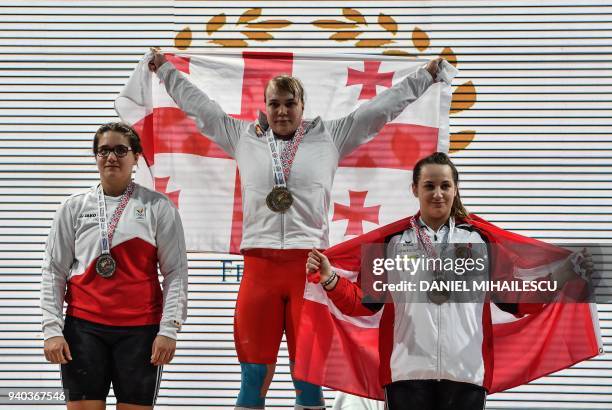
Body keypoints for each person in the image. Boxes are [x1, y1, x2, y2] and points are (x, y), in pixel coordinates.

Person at [148, 48, 445, 409]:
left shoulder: (331, 136)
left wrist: (425, 75)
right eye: (275, 104)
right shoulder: (243, 136)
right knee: (252, 381)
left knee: (308, 383)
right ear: (266, 106)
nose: (282, 111)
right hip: (260, 271)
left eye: (290, 103)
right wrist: (165, 70)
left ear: (303, 106)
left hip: (309, 271)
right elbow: (201, 108)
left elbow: (380, 110)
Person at [306, 152, 594, 410]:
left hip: (467, 374)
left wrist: (562, 275)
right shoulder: (391, 243)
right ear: (415, 189)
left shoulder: (480, 241)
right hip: (405, 374)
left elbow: (515, 299)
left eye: (445, 186)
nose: (438, 193)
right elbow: (364, 304)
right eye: (429, 186)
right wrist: (330, 277)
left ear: (456, 190)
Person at [41, 122, 189, 410]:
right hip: (83, 329)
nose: (112, 157)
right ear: (95, 156)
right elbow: (53, 272)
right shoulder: (72, 208)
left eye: (121, 150)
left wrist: (169, 329)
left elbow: (176, 273)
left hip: (141, 331)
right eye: (104, 150)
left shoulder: (158, 208)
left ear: (136, 157)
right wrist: (52, 330)